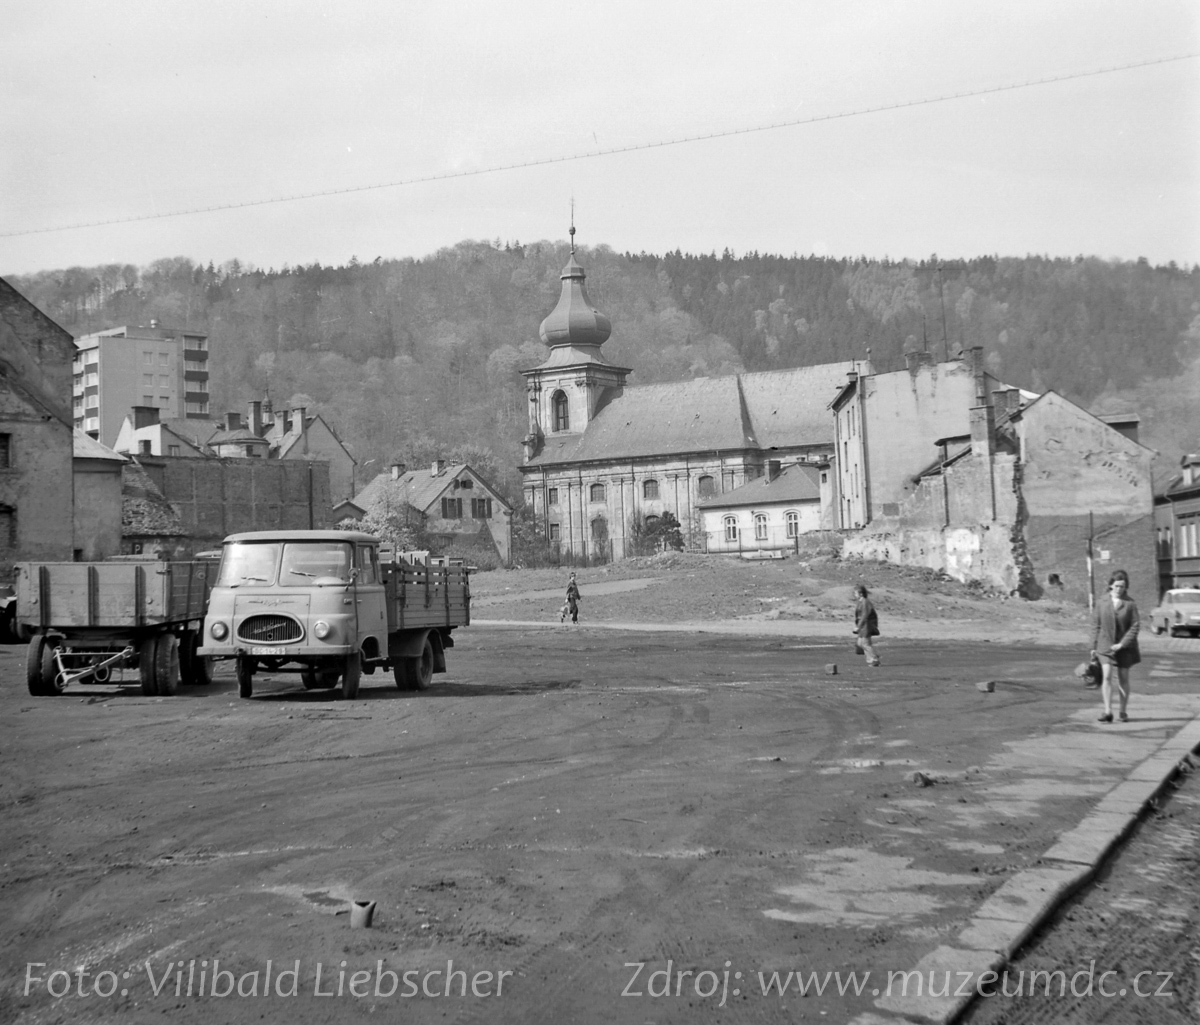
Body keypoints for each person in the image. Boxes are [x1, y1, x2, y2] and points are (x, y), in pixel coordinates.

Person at [1091, 570, 1140, 723]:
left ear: (1126, 587)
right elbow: (1095, 625)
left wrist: (1122, 644)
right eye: (1117, 586)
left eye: (1122, 586)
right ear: (1111, 585)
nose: (1119, 589)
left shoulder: (1130, 604)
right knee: (1106, 676)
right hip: (1105, 644)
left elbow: (1135, 626)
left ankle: (1123, 711)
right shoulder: (1101, 602)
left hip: (1125, 647)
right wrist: (1093, 646)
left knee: (1123, 677)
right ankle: (1108, 711)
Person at [853, 583, 881, 666]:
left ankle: (874, 659)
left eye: (855, 593)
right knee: (860, 643)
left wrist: (858, 626)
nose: (854, 595)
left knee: (865, 643)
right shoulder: (861, 602)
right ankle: (872, 656)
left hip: (866, 626)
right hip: (863, 626)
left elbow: (865, 615)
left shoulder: (865, 602)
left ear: (861, 594)